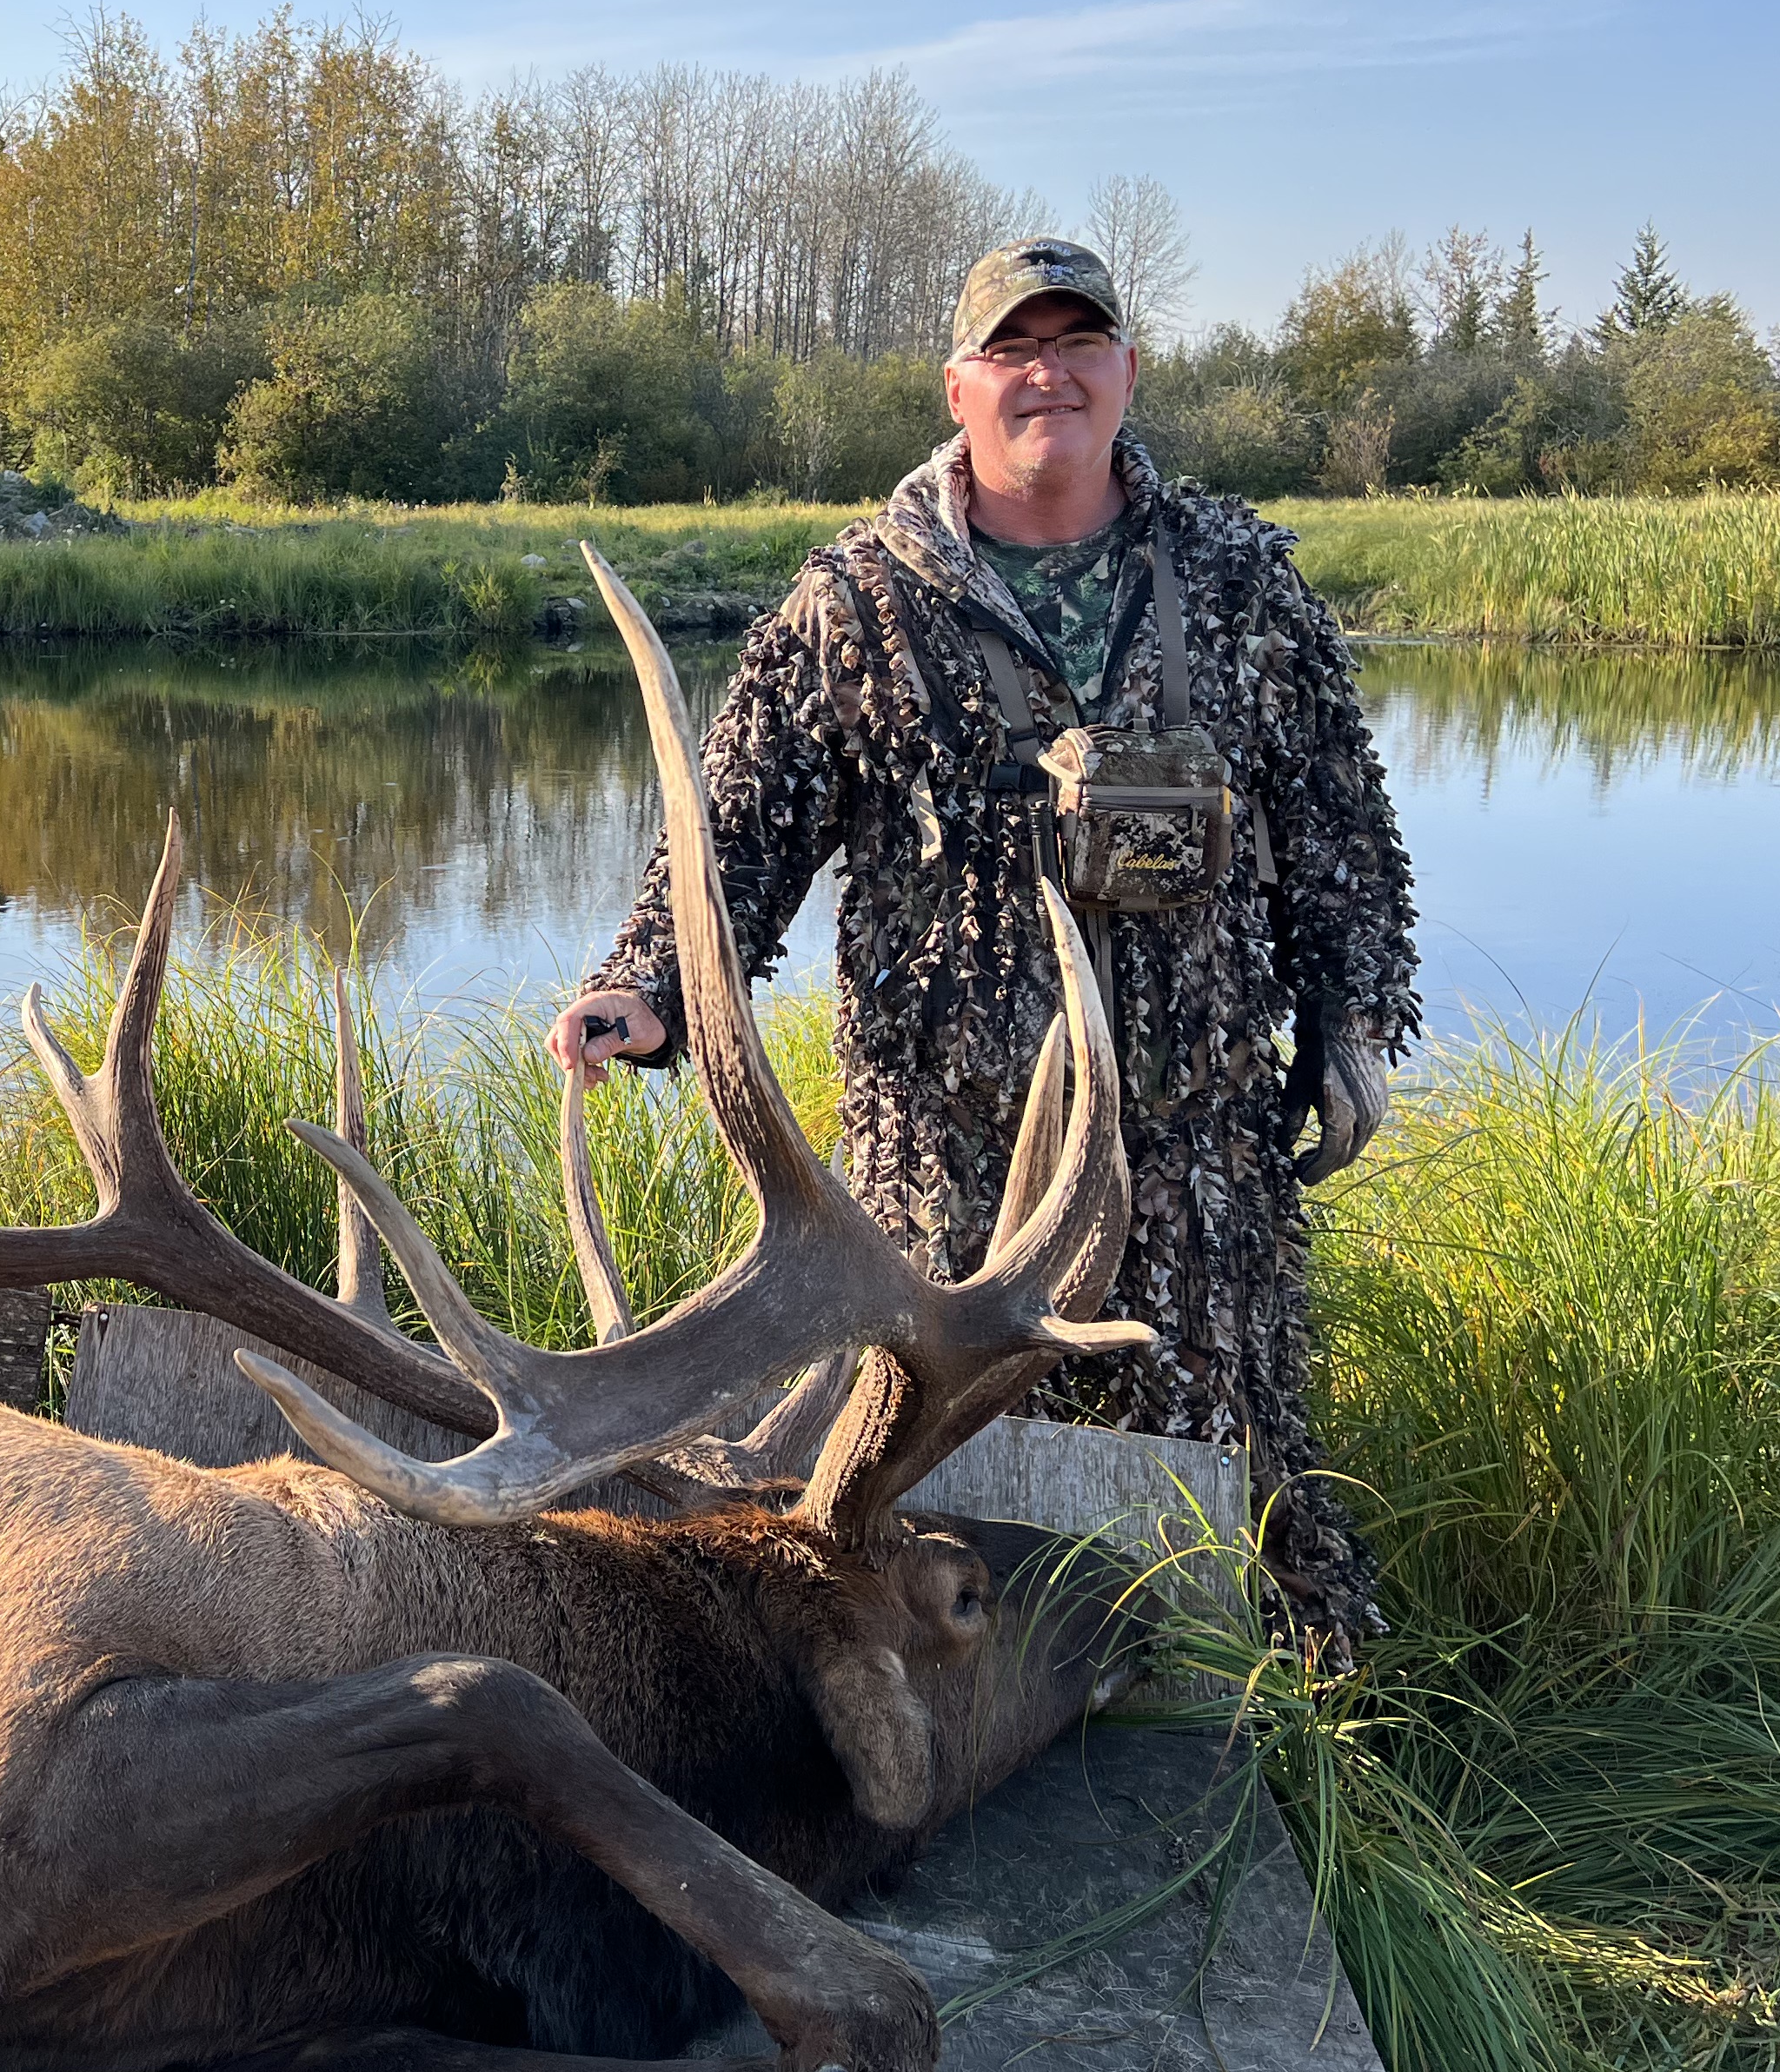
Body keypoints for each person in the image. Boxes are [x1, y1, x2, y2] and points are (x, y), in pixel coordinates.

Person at [551, 236, 1419, 1657]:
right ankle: (922, 1765)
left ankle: (1252, 1747)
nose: (1050, 374)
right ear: (960, 386)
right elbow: (736, 833)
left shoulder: (1242, 583)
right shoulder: (856, 601)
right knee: (916, 1501)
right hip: (939, 1159)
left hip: (1191, 1157)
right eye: (1017, 348)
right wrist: (642, 984)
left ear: (1127, 374)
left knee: (1217, 1488)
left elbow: (1338, 832)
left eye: (1081, 344)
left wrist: (1352, 1025)